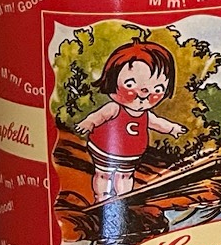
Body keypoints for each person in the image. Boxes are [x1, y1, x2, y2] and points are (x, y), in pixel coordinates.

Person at [74, 39, 184, 199]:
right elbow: (98, 116)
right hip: (104, 150)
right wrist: (88, 123)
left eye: (157, 89)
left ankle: (123, 197)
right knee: (104, 174)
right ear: (111, 81)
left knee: (125, 176)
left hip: (131, 155)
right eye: (131, 85)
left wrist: (172, 128)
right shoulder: (114, 108)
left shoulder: (146, 115)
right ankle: (102, 196)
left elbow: (158, 123)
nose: (144, 95)